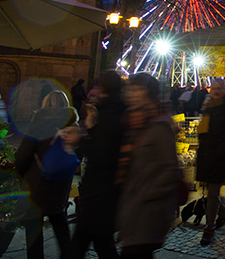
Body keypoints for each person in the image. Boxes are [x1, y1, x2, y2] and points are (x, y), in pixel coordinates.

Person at [115, 73, 179, 259]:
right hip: (135, 209)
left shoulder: (158, 126)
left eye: (137, 90)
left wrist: (146, 193)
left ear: (149, 94)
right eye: (130, 89)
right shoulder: (135, 124)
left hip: (148, 211)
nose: (131, 94)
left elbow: (170, 168)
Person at [15, 90, 80, 259]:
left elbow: (23, 155)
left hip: (37, 184)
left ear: (46, 104)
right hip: (60, 184)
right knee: (60, 226)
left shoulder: (38, 124)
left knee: (33, 231)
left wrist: (20, 175)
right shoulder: (73, 126)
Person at [73, 72, 126, 259]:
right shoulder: (118, 110)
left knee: (84, 242)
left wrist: (89, 129)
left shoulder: (106, 114)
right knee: (102, 243)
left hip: (99, 190)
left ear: (103, 88)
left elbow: (102, 153)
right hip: (106, 191)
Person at [196, 80, 225, 245]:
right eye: (213, 88)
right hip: (205, 156)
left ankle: (209, 230)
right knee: (211, 193)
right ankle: (222, 210)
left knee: (212, 193)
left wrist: (219, 151)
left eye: (218, 89)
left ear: (224, 90)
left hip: (218, 158)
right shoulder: (207, 107)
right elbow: (202, 131)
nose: (215, 91)